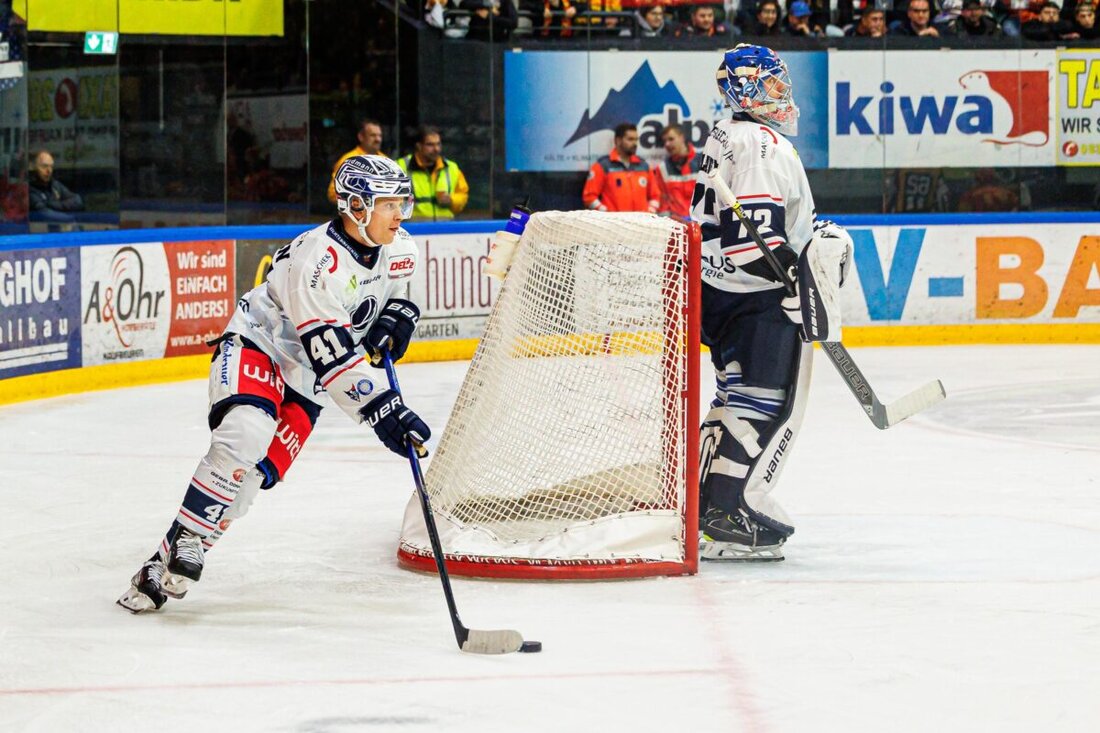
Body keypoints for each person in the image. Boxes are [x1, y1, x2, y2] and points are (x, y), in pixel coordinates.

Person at [117, 156, 430, 613]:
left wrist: (398, 317)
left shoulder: (402, 248)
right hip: (260, 344)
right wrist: (383, 410)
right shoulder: (315, 262)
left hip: (309, 381)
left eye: (403, 202)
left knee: (246, 486)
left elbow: (399, 294)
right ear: (356, 207)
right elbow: (335, 358)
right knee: (246, 432)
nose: (400, 213)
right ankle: (189, 536)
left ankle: (159, 566)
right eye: (388, 204)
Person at [690, 44, 853, 561]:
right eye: (774, 83)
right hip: (751, 300)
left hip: (719, 293)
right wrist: (792, 283)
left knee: (733, 396)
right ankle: (723, 511)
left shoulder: (728, 132)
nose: (784, 92)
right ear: (749, 89)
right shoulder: (763, 146)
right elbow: (747, 243)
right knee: (763, 403)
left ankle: (703, 501)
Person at [582, 122, 660, 213]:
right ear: (618, 141)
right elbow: (589, 197)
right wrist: (606, 214)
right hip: (614, 225)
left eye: (636, 139)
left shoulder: (644, 166)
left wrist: (650, 213)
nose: (635, 143)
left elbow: (655, 196)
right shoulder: (603, 166)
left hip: (640, 224)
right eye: (630, 139)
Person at [397, 126, 470, 221]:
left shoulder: (451, 167)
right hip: (413, 230)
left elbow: (463, 194)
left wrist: (451, 200)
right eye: (430, 145)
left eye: (438, 144)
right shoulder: (400, 166)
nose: (436, 149)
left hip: (445, 231)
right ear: (419, 146)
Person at [327, 119, 385, 203]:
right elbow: (333, 194)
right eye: (373, 135)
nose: (378, 139)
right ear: (361, 137)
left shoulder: (386, 160)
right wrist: (358, 200)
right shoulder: (349, 161)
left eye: (380, 136)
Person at [652, 123, 699, 219]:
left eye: (671, 139)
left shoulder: (703, 161)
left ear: (682, 138)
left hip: (702, 224)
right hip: (676, 226)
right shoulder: (662, 169)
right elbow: (662, 203)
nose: (667, 144)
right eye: (664, 141)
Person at [28, 150, 83, 223]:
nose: (49, 170)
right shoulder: (30, 189)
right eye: (44, 166)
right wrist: (69, 218)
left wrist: (53, 205)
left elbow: (77, 201)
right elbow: (44, 213)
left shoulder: (55, 185)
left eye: (51, 166)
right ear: (34, 167)